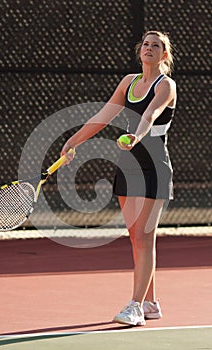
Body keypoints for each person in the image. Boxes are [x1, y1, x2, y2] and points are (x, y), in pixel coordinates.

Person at [61, 30, 177, 326]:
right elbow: (104, 115)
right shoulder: (128, 82)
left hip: (154, 165)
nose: (149, 48)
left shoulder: (167, 86)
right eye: (146, 45)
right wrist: (73, 141)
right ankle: (151, 301)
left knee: (144, 236)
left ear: (164, 55)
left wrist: (135, 137)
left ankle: (136, 306)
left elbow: (149, 116)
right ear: (140, 52)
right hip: (128, 165)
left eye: (156, 46)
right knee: (136, 238)